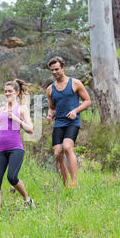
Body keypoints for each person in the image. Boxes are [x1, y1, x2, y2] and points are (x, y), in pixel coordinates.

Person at [0, 79, 34, 226]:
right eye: (5, 91)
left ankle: (27, 199)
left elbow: (30, 129)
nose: (7, 93)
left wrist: (17, 119)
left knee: (12, 177)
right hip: (0, 149)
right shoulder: (1, 109)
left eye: (10, 91)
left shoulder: (22, 109)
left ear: (16, 92)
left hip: (16, 148)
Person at [45, 57, 91, 189]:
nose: (54, 72)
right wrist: (49, 115)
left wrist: (76, 111)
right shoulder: (50, 89)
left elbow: (87, 101)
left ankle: (74, 182)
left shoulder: (75, 83)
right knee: (57, 153)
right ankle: (65, 185)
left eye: (57, 69)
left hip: (72, 122)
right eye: (52, 70)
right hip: (58, 123)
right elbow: (52, 107)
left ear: (63, 68)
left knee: (67, 147)